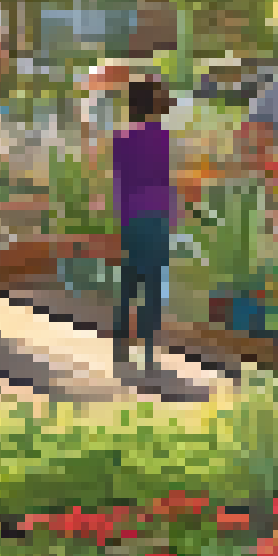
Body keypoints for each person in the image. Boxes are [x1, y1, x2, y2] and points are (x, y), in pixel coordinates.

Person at [110, 71, 175, 371]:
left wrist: (121, 222)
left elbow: (120, 185)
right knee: (153, 282)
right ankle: (148, 351)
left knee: (128, 281)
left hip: (131, 216)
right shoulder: (161, 136)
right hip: (157, 215)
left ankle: (120, 347)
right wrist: (172, 216)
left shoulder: (121, 137)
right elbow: (164, 180)